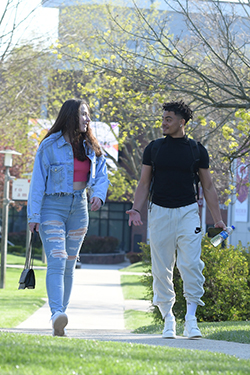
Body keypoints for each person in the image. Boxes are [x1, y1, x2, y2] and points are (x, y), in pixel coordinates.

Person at [126, 100, 226, 339]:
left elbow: (209, 186)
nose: (164, 123)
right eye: (163, 118)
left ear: (182, 122)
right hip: (159, 212)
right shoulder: (154, 148)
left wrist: (218, 220)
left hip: (188, 212)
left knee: (190, 264)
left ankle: (191, 319)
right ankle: (168, 318)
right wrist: (136, 209)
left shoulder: (196, 150)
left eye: (168, 119)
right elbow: (143, 183)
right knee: (162, 270)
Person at [27, 98, 109, 336]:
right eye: (84, 114)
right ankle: (56, 314)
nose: (88, 119)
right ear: (71, 115)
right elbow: (37, 182)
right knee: (58, 259)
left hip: (79, 207)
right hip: (52, 206)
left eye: (88, 114)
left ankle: (60, 315)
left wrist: (99, 195)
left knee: (70, 264)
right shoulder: (49, 145)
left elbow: (102, 175)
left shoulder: (91, 146)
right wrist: (33, 215)